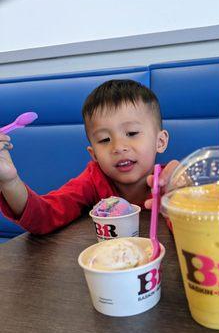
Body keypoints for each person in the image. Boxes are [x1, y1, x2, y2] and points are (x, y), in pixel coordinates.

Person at [0, 79, 179, 234]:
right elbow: (44, 216)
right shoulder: (93, 180)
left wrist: (183, 193)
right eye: (104, 139)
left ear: (160, 141)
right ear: (93, 155)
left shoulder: (170, 182)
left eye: (131, 133)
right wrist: (10, 181)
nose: (118, 147)